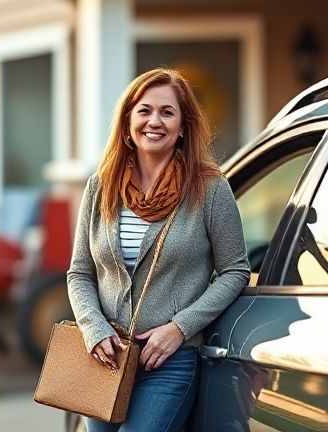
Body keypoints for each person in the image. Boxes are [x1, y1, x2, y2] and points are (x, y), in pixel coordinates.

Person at [67, 68, 250, 432]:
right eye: (144, 110)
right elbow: (80, 272)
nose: (155, 121)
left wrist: (181, 328)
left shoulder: (209, 189)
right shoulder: (101, 186)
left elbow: (235, 270)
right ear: (127, 122)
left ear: (183, 126)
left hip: (167, 363)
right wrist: (93, 327)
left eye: (167, 112)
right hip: (105, 358)